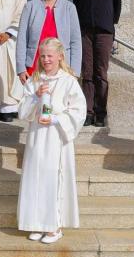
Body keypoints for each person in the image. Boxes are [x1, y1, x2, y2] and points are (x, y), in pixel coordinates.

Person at [17, 38, 87, 244]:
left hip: (57, 137)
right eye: (43, 56)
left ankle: (54, 226)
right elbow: (22, 112)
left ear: (60, 56)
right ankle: (38, 224)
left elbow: (78, 111)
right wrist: (35, 97)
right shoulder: (34, 80)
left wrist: (56, 118)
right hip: (37, 137)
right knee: (35, 179)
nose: (46, 60)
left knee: (52, 179)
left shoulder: (69, 81)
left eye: (50, 55)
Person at [72, 0, 121, 127]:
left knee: (101, 72)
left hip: (104, 33)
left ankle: (101, 112)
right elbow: (76, 5)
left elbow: (117, 8)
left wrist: (107, 24)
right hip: (84, 32)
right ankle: (88, 112)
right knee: (87, 72)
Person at [16, 0, 82, 84]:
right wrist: (21, 68)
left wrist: (75, 72)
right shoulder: (30, 7)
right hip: (34, 67)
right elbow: (21, 40)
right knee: (35, 101)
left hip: (62, 68)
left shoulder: (69, 8)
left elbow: (76, 42)